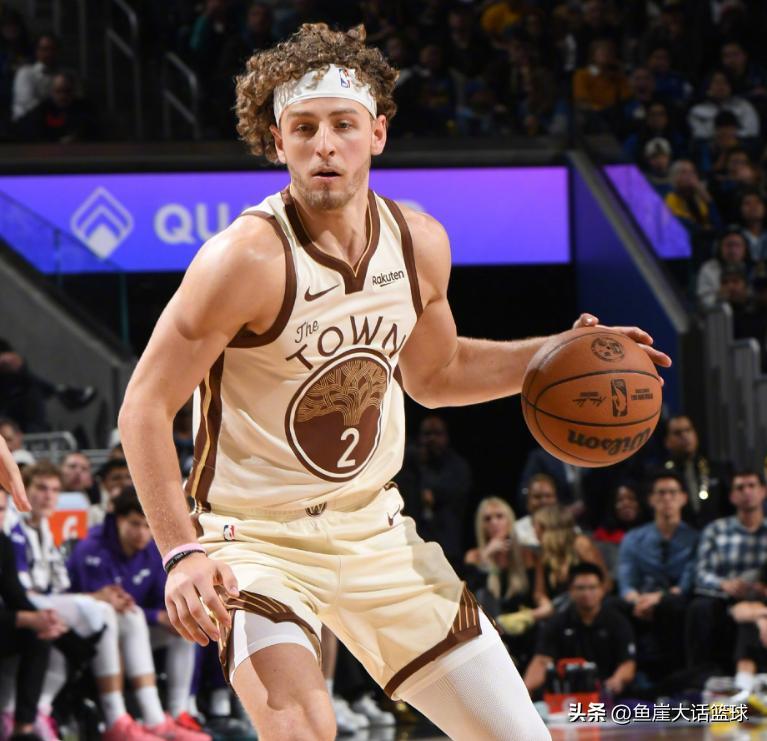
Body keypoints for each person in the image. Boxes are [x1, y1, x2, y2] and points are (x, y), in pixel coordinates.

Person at [118, 22, 669, 741]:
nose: (324, 144)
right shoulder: (244, 259)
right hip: (255, 541)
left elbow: (437, 374)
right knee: (303, 730)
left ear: (376, 132)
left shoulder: (418, 242)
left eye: (343, 125)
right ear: (277, 142)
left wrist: (557, 352)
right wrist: (182, 552)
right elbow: (144, 405)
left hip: (375, 530)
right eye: (304, 128)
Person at [12, 463, 202, 741]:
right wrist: (99, 598)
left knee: (177, 625)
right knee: (103, 612)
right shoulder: (89, 545)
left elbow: (58, 588)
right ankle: (116, 718)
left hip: (94, 622)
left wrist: (149, 612)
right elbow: (26, 593)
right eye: (41, 488)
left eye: (54, 490)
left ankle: (169, 715)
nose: (48, 496)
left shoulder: (46, 530)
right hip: (65, 621)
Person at [0, 485, 66, 741]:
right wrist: (24, 618)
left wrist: (44, 620)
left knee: (40, 635)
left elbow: (15, 595)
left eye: (2, 510)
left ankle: (24, 728)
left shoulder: (2, 542)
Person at [617, 472, 698, 678]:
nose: (667, 498)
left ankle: (677, 676)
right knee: (611, 606)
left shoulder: (695, 538)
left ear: (684, 498)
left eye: (673, 492)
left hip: (674, 599)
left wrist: (659, 598)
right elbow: (626, 583)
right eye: (661, 493)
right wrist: (637, 600)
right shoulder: (633, 538)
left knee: (674, 605)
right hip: (640, 598)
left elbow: (687, 583)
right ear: (651, 499)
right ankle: (624, 674)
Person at [687, 471, 767, 673]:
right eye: (740, 487)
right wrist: (724, 584)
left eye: (752, 486)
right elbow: (701, 573)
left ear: (763, 491)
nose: (746, 492)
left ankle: (747, 679)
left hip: (763, 598)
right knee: (700, 607)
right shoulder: (716, 530)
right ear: (732, 496)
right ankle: (701, 674)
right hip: (724, 598)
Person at [523, 563, 636, 697]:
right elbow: (542, 661)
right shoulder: (557, 623)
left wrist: (617, 680)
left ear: (602, 589)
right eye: (580, 588)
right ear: (570, 591)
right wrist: (524, 692)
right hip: (566, 697)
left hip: (608, 696)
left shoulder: (617, 622)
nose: (586, 593)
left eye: (592, 587)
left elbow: (627, 664)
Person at [464, 497, 544, 670]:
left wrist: (528, 616)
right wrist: (487, 556)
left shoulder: (526, 555)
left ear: (510, 520)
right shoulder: (475, 556)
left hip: (522, 630)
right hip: (489, 630)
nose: (494, 522)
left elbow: (541, 599)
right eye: (487, 519)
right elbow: (469, 598)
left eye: (499, 516)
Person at [397, 414, 472, 569]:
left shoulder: (457, 466)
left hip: (447, 546)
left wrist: (434, 493)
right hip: (414, 544)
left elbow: (457, 494)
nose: (431, 439)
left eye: (437, 434)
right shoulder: (411, 465)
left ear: (446, 437)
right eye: (427, 434)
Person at [532, 503, 611, 614]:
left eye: (535, 526)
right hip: (558, 611)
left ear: (546, 528)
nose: (534, 531)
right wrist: (546, 604)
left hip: (590, 607)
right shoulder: (543, 554)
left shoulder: (580, 544)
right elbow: (539, 593)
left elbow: (604, 583)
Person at [657, 414, 731, 527]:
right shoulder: (660, 475)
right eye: (677, 433)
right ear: (667, 441)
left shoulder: (718, 469)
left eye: (688, 430)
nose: (684, 435)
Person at [697, 229, 752, 310]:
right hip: (718, 313)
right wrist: (719, 297)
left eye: (737, 245)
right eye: (729, 245)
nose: (733, 250)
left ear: (745, 249)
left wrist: (746, 296)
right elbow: (702, 302)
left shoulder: (753, 267)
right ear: (719, 248)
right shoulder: (708, 268)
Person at [11, 33, 58, 121]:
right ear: (37, 51)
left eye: (52, 49)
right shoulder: (25, 73)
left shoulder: (62, 74)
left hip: (54, 122)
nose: (49, 53)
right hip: (27, 123)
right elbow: (28, 103)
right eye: (44, 49)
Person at [514, 473, 557, 548]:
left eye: (548, 496)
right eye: (537, 496)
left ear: (556, 499)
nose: (544, 501)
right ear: (528, 501)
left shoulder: (568, 527)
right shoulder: (516, 530)